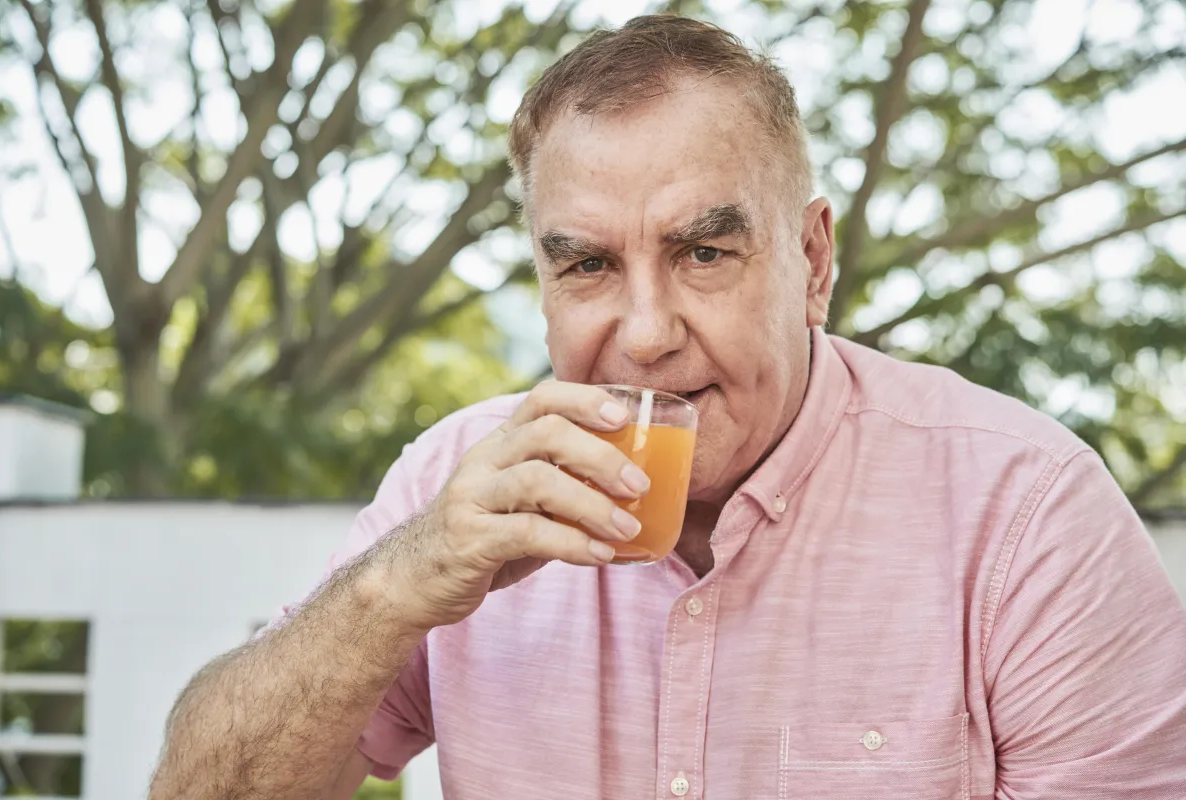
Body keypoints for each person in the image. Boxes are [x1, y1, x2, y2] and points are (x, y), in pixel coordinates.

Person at [149, 15, 1186, 800]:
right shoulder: (456, 484)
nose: (645, 332)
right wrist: (396, 587)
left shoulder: (1023, 512)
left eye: (703, 251)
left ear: (813, 261)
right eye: (590, 264)